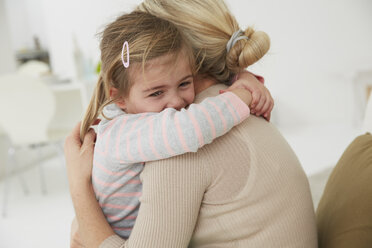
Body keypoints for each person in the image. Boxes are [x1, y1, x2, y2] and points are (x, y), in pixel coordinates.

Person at [66, 1, 317, 247]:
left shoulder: (176, 144)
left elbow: (187, 131)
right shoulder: (225, 102)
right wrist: (243, 80)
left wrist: (79, 187)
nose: (174, 101)